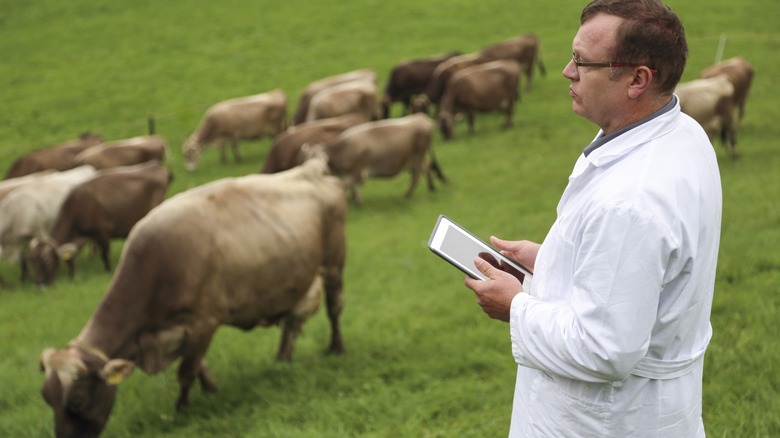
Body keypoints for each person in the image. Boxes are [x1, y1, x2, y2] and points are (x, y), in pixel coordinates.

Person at [463, 0, 722, 436]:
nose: (567, 71)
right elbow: (640, 268)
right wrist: (552, 260)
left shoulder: (631, 201)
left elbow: (605, 349)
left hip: (603, 420)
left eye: (583, 62)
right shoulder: (682, 133)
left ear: (639, 79)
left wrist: (516, 306)